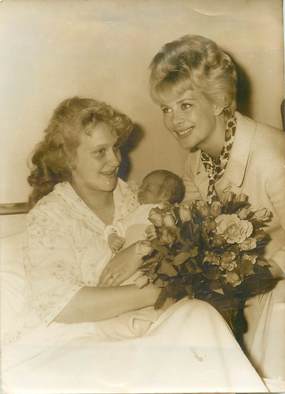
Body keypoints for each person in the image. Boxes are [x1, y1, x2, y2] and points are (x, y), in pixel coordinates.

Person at [8, 96, 267, 392]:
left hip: (150, 323)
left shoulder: (139, 198)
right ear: (68, 159)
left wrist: (142, 251)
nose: (116, 160)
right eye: (100, 152)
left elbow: (181, 260)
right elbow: (63, 305)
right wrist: (153, 292)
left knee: (200, 315)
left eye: (116, 147)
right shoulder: (50, 216)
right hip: (83, 338)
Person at [149, 34, 285, 380]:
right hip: (243, 291)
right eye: (166, 108)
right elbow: (198, 230)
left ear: (218, 101)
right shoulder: (195, 161)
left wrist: (260, 274)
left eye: (185, 105)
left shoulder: (273, 160)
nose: (173, 120)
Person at [106, 169, 185, 254]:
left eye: (147, 188)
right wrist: (112, 236)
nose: (140, 190)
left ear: (164, 196)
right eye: (141, 186)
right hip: (131, 255)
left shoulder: (174, 213)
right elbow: (120, 225)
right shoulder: (141, 210)